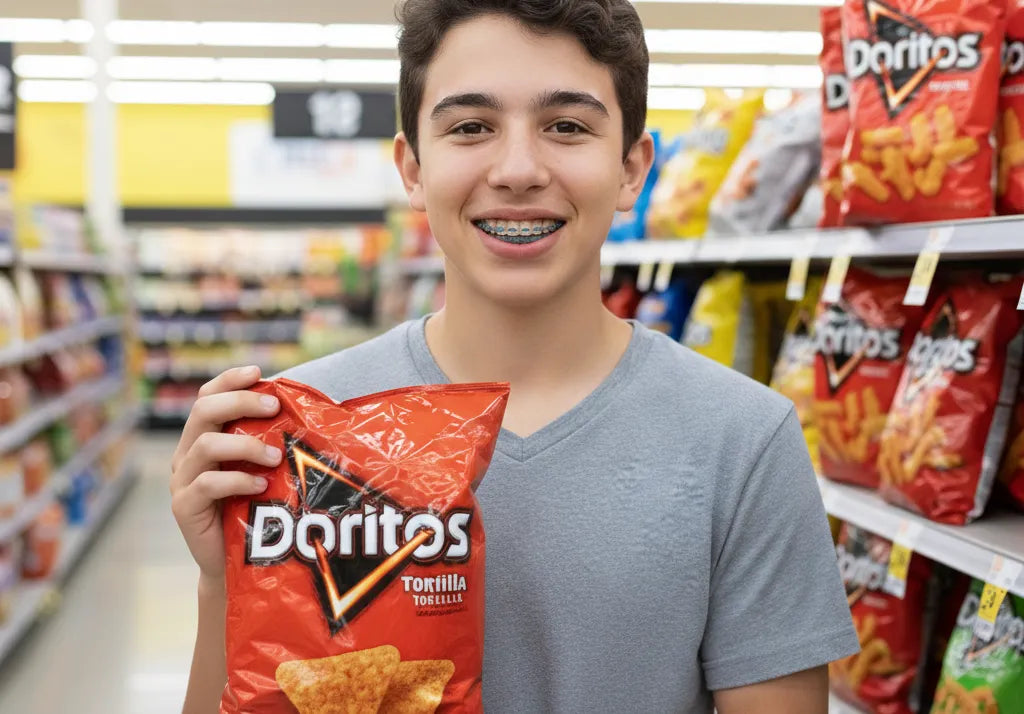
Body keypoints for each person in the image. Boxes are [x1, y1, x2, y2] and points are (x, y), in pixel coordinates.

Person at [171, 1, 860, 711]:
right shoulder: (294, 432)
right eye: (471, 127)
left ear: (631, 169)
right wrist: (223, 579)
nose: (519, 169)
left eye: (566, 126)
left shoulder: (743, 441)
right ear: (412, 166)